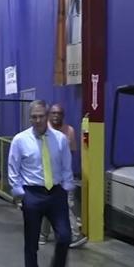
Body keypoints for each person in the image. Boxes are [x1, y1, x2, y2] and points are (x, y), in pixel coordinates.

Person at [8, 100, 74, 267]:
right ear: (30, 118)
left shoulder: (60, 139)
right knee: (32, 242)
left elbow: (66, 166)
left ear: (47, 116)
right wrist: (20, 194)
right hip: (33, 194)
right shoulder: (20, 140)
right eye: (34, 117)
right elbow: (13, 168)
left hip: (56, 193)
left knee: (65, 236)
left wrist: (67, 189)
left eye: (41, 116)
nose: (38, 120)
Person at [40, 103, 88, 248]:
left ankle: (74, 235)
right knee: (47, 206)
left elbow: (71, 153)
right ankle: (43, 234)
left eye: (59, 113)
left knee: (68, 204)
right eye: (53, 113)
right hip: (46, 175)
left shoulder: (69, 131)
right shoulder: (43, 130)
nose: (56, 116)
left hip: (64, 175)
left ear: (63, 115)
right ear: (49, 115)